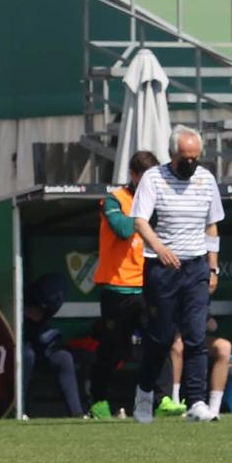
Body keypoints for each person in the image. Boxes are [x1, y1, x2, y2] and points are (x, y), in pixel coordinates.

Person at [132, 126, 225, 423]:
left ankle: (196, 402)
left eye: (195, 158)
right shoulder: (153, 178)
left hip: (196, 266)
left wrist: (213, 266)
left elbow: (212, 226)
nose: (190, 163)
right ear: (173, 155)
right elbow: (140, 221)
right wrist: (159, 248)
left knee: (196, 336)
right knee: (160, 338)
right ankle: (145, 393)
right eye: (185, 158)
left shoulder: (206, 179)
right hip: (162, 268)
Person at [89, 151, 158, 420]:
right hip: (117, 288)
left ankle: (162, 399)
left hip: (148, 285)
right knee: (113, 349)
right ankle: (98, 401)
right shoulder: (113, 199)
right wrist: (146, 216)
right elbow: (123, 229)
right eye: (145, 178)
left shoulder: (157, 199)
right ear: (133, 175)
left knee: (159, 341)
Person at [23, 272, 84, 418]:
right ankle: (20, 410)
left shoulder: (46, 308)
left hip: (38, 350)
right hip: (14, 352)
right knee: (27, 355)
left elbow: (43, 339)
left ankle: (77, 415)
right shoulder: (19, 302)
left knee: (64, 358)